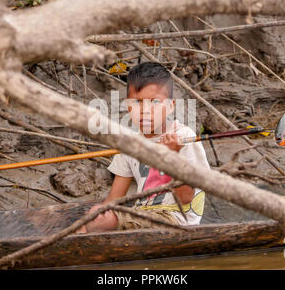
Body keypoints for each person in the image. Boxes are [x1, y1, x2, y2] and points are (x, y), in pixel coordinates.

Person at [76, 62, 210, 233]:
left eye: (155, 102)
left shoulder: (183, 137)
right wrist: (93, 220)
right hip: (143, 214)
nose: (145, 110)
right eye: (138, 102)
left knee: (97, 218)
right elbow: (114, 200)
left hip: (175, 219)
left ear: (170, 106)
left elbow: (185, 198)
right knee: (94, 216)